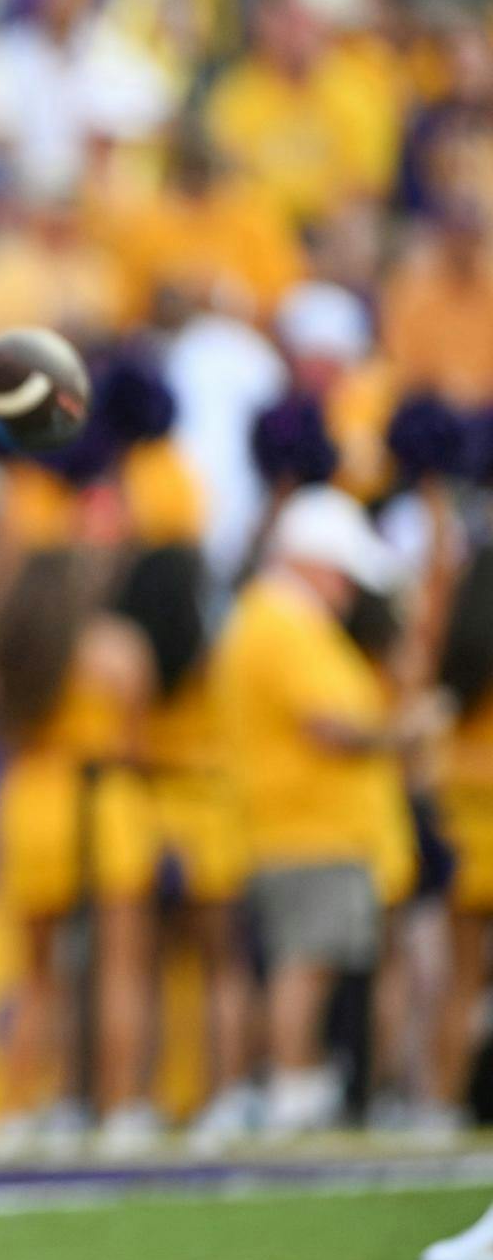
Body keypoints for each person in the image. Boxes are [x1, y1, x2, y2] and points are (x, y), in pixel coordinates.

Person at [210, 484, 427, 1135]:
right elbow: (329, 722)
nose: (348, 589)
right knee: (305, 965)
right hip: (308, 828)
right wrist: (402, 730)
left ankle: (292, 1081)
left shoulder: (277, 617)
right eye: (340, 571)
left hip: (309, 827)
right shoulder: (282, 619)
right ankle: (293, 1081)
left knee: (305, 962)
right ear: (308, 560)